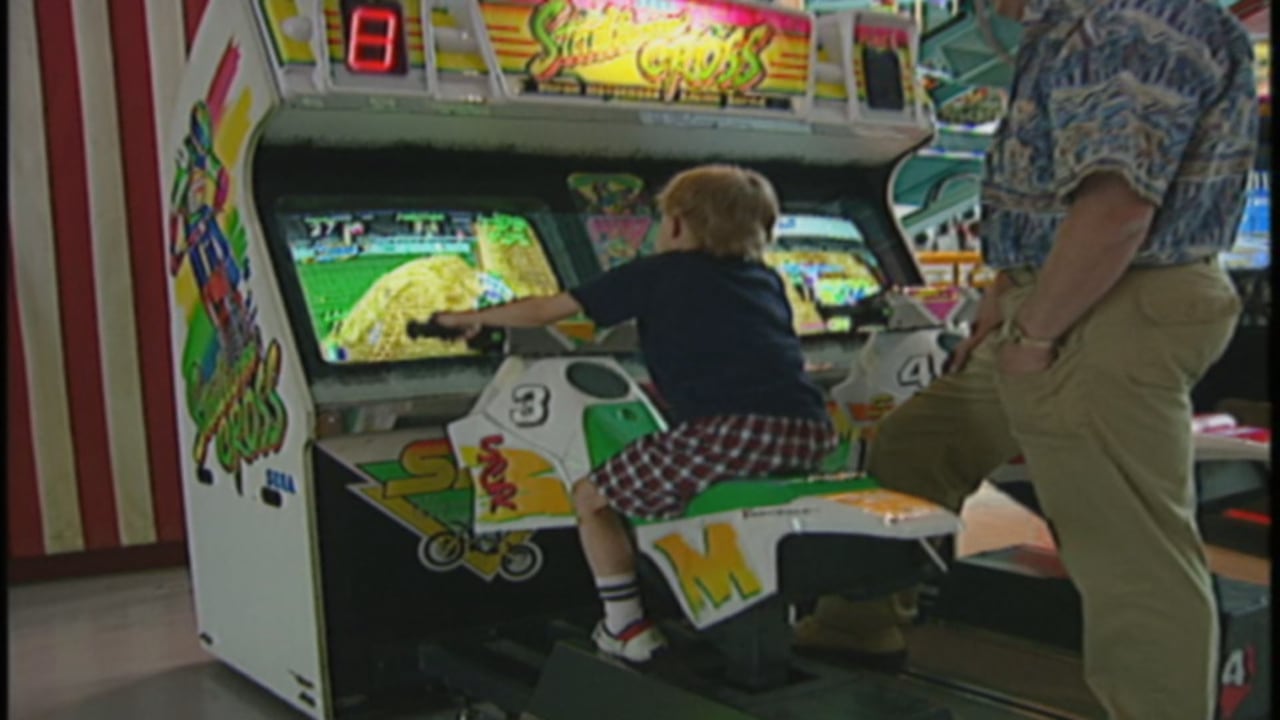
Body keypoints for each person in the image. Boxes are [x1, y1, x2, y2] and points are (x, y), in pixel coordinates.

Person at [795, 1, 1257, 718]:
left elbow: (1116, 208)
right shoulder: (1070, 29)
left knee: (1124, 548)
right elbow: (1053, 194)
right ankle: (860, 623)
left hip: (1107, 299)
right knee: (920, 444)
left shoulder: (1124, 23)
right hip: (1060, 292)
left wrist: (1037, 332)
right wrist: (1005, 291)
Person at [438, 165, 838, 663]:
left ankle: (624, 627)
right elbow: (734, 353)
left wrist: (465, 318)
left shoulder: (656, 274)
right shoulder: (765, 280)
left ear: (675, 225)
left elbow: (546, 312)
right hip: (808, 429)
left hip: (730, 433)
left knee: (592, 498)